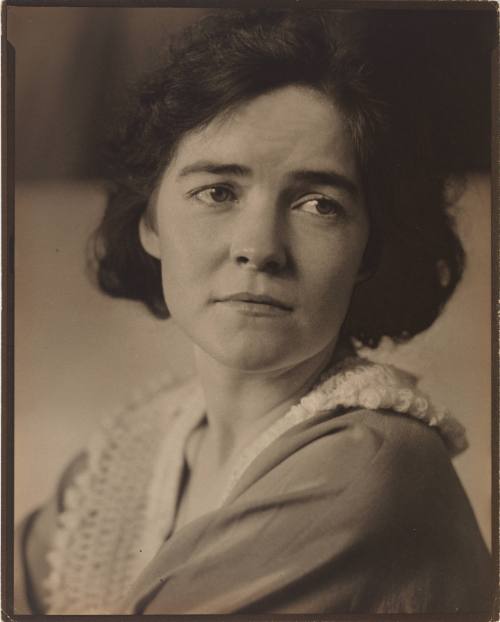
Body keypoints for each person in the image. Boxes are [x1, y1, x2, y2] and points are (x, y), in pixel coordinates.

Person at [14, 8, 492, 615]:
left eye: (319, 204)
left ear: (369, 248)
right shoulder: (134, 450)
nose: (260, 248)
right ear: (151, 224)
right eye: (217, 192)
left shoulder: (373, 462)